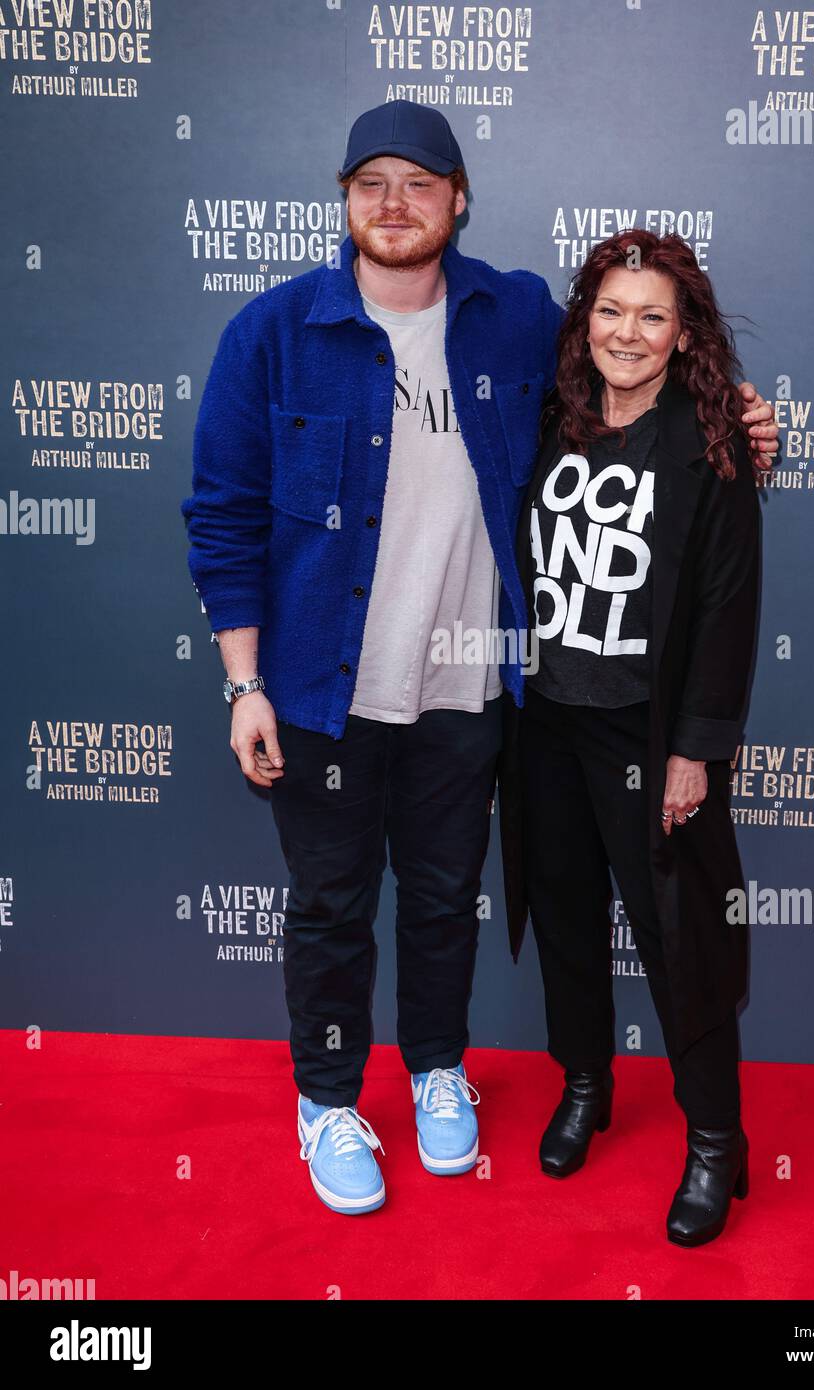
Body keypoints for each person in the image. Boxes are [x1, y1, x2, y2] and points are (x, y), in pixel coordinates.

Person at [181, 100, 778, 1216]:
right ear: (344, 201)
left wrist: (735, 416)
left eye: (420, 183)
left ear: (459, 200)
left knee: (447, 895)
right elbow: (220, 518)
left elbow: (634, 371)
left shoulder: (512, 321)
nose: (394, 204)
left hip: (470, 690)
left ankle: (436, 1068)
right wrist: (244, 681)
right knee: (329, 902)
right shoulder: (268, 334)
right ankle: (325, 1099)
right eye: (371, 183)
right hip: (317, 691)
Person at [497, 229, 765, 1247]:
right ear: (584, 320)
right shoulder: (543, 423)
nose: (627, 331)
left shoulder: (711, 446)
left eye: (652, 314)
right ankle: (583, 1083)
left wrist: (695, 751)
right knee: (565, 917)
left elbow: (730, 609)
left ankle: (712, 1139)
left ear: (681, 329)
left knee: (678, 941)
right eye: (610, 310)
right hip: (548, 727)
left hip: (648, 740)